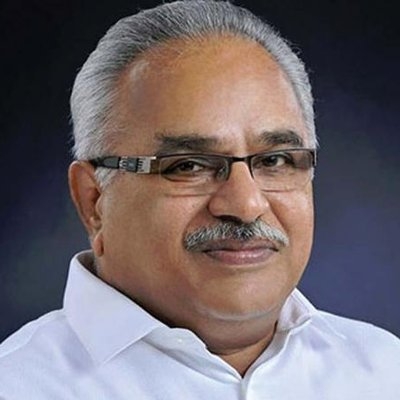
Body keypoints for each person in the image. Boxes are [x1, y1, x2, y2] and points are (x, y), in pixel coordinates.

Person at [0, 0, 399, 398]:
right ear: (94, 202)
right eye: (189, 165)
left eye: (275, 160)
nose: (246, 206)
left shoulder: (385, 371)